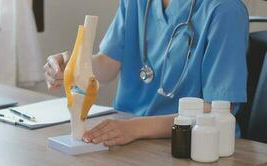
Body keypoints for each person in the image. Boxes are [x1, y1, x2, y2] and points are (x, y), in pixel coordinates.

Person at [44, 0, 248, 147]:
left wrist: (135, 129)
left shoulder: (225, 10)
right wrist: (74, 63)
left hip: (194, 147)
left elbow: (218, 110)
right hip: (130, 139)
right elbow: (106, 65)